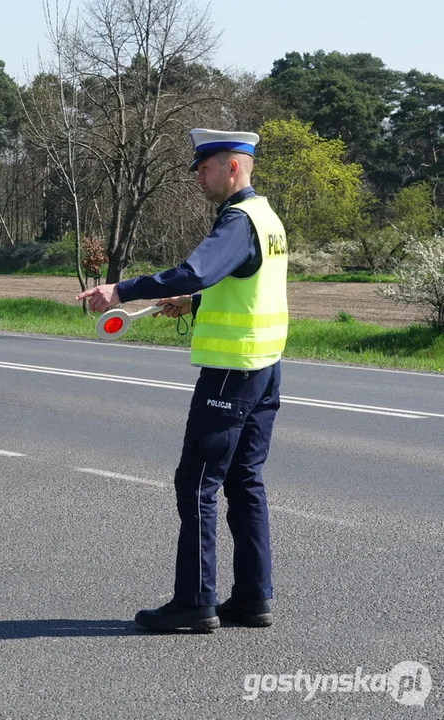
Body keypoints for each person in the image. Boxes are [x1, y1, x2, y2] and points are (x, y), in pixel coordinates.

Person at [78, 128, 289, 633]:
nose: (197, 175)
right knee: (244, 482)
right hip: (264, 367)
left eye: (205, 166)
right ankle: (254, 598)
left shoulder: (238, 220)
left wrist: (122, 289)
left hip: (231, 372)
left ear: (233, 166)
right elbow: (239, 284)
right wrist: (193, 302)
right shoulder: (267, 217)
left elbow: (195, 270)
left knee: (197, 484)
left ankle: (195, 602)